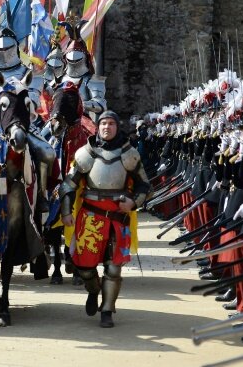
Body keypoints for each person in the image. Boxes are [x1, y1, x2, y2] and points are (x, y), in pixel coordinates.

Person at [59, 110, 151, 328]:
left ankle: (107, 310)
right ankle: (93, 290)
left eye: (111, 123)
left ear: (117, 127)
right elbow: (68, 185)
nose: (107, 127)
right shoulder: (85, 154)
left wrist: (133, 203)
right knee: (85, 268)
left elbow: (145, 186)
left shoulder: (130, 154)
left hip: (118, 219)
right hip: (90, 217)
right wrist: (66, 212)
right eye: (103, 124)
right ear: (97, 127)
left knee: (113, 268)